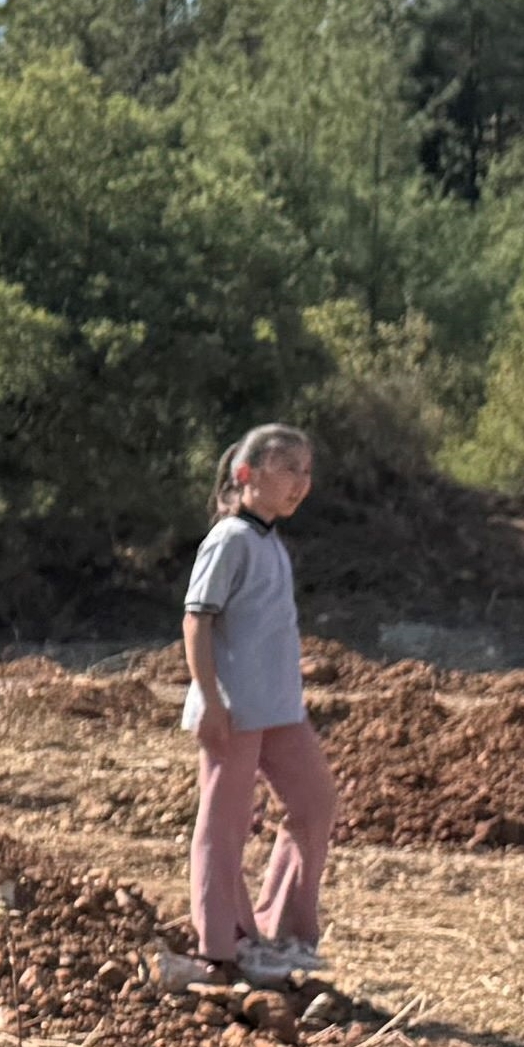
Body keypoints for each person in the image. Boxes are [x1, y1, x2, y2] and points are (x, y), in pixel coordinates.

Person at [167, 422, 335, 990]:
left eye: (306, 471)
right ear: (247, 474)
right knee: (225, 825)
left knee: (314, 805)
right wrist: (211, 699)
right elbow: (196, 621)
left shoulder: (270, 541)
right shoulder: (230, 539)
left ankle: (282, 931)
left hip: (281, 710)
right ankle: (221, 948)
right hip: (234, 710)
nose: (300, 483)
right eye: (289, 469)